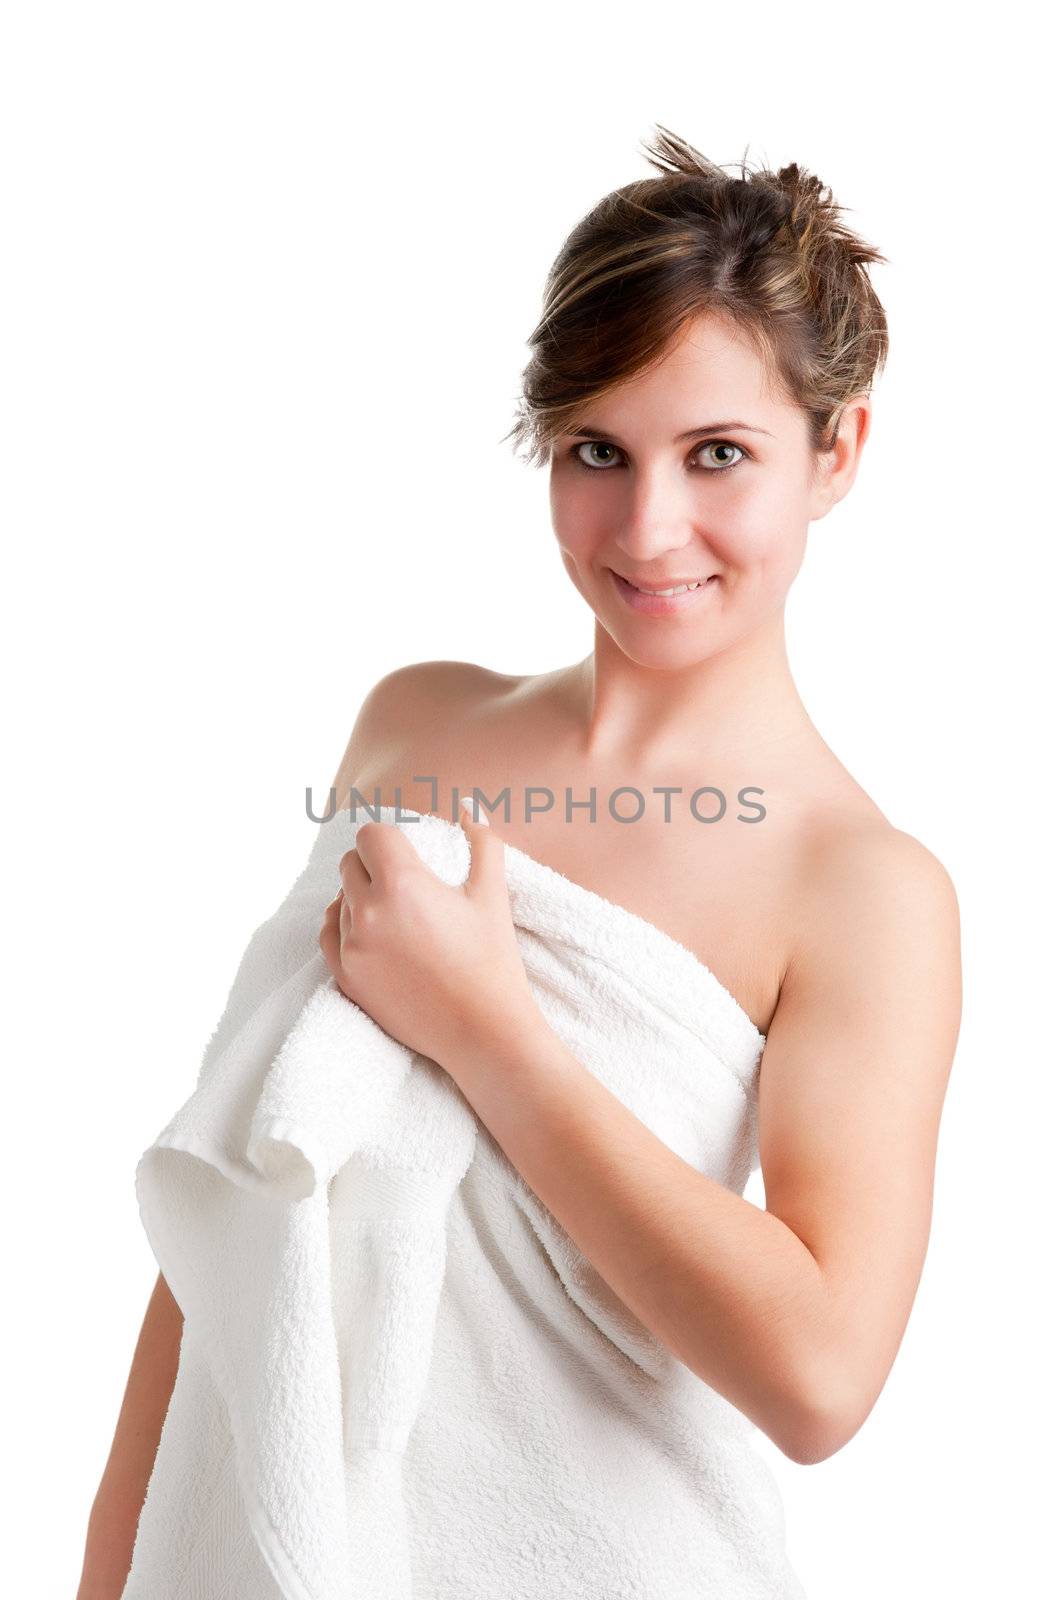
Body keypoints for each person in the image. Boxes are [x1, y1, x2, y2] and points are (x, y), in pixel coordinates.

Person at [79, 125, 962, 1598]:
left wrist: (490, 1031)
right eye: (596, 453)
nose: (648, 527)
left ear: (840, 449)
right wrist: (109, 1571)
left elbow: (821, 1378)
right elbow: (237, 1220)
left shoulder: (861, 887)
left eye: (720, 454)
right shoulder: (409, 722)